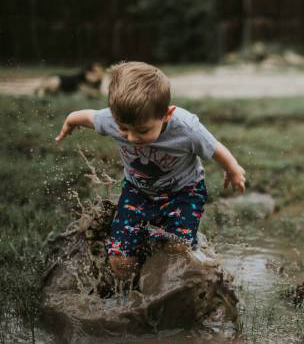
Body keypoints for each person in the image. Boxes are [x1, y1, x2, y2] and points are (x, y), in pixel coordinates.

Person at [55, 61, 246, 280]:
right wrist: (70, 122)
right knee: (120, 260)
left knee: (177, 251)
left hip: (184, 193)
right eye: (124, 129)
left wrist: (233, 169)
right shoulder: (113, 119)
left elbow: (215, 148)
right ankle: (134, 290)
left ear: (166, 114)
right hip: (138, 192)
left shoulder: (186, 128)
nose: (132, 138)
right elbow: (85, 116)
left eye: (142, 131)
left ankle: (186, 263)